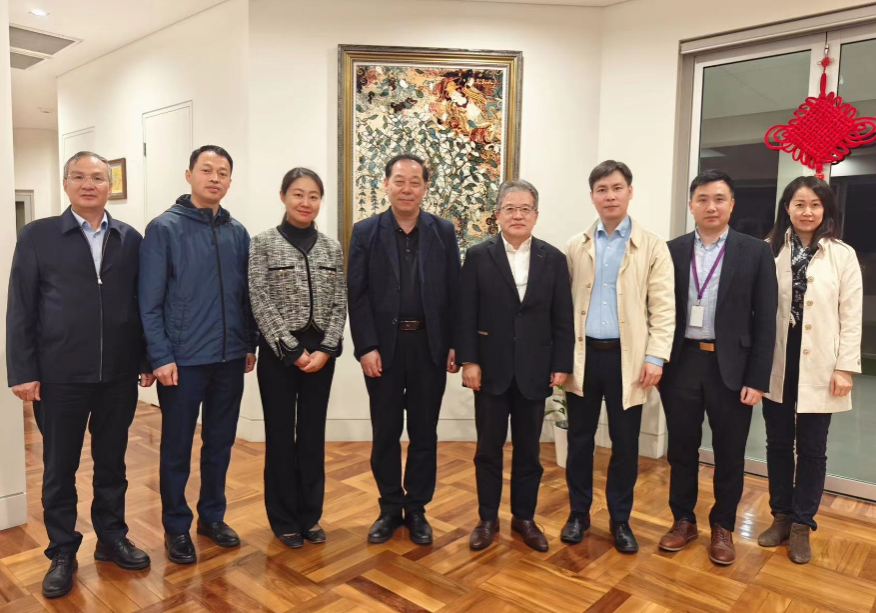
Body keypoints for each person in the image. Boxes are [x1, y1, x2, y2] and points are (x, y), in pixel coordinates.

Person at [7, 151, 154, 598]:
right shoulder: (38, 235)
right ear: (66, 184)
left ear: (110, 186)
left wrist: (146, 358)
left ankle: (111, 538)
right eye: (79, 177)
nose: (88, 184)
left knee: (112, 463)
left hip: (117, 376)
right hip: (59, 376)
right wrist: (22, 371)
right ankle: (62, 552)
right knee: (59, 468)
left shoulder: (130, 238)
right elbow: (21, 306)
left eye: (97, 178)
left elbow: (141, 304)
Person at [139, 145, 258, 564]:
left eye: (222, 172)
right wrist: (159, 356)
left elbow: (246, 296)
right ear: (188, 175)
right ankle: (176, 527)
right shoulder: (164, 229)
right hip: (182, 361)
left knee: (219, 444)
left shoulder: (237, 232)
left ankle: (212, 517)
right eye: (206, 170)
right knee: (176, 448)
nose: (214, 178)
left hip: (229, 358)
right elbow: (148, 302)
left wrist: (248, 343)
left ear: (230, 181)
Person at [658, 169, 777, 566]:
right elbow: (659, 310)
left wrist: (757, 378)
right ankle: (683, 520)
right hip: (682, 364)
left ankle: (723, 526)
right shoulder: (671, 251)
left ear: (732, 204)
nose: (711, 206)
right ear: (691, 205)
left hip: (733, 368)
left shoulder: (755, 251)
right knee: (681, 449)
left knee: (729, 453)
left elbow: (766, 321)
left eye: (719, 198)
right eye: (703, 199)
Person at [561, 161, 675, 553]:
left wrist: (655, 357)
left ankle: (620, 520)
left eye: (617, 188)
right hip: (584, 358)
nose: (610, 196)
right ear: (592, 196)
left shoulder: (652, 246)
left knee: (625, 445)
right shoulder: (575, 245)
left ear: (630, 192)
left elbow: (663, 308)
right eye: (602, 189)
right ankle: (578, 514)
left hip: (628, 362)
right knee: (579, 441)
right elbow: (561, 308)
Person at [347, 153, 461, 545]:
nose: (407, 188)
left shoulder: (443, 231)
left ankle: (416, 510)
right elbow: (357, 294)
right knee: (386, 432)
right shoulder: (366, 232)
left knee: (424, 432)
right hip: (384, 350)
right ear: (386, 185)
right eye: (399, 181)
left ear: (425, 187)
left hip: (430, 347)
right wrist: (366, 346)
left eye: (415, 182)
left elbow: (455, 291)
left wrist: (454, 344)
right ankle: (388, 507)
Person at [456, 180, 573, 552]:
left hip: (535, 370)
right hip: (489, 369)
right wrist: (469, 360)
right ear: (498, 215)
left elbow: (563, 317)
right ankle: (487, 519)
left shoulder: (553, 259)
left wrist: (561, 363)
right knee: (488, 450)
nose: (518, 215)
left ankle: (524, 518)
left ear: (536, 215)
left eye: (525, 209)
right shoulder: (478, 255)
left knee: (529, 453)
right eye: (510, 208)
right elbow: (465, 313)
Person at [757, 176, 862, 564]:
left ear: (825, 210)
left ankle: (802, 524)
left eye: (815, 205)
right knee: (778, 444)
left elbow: (851, 315)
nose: (807, 212)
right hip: (778, 362)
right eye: (799, 204)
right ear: (787, 208)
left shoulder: (842, 255)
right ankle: (781, 517)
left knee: (813, 449)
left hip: (820, 364)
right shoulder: (768, 250)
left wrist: (845, 367)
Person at [249, 168, 346, 549]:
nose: (306, 202)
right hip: (279, 355)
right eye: (298, 194)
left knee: (311, 436)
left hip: (321, 355)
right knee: (279, 436)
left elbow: (339, 301)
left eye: (313, 196)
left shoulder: (332, 248)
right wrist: (290, 348)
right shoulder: (262, 243)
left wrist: (327, 348)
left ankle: (309, 516)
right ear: (283, 196)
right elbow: (259, 297)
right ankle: (284, 519)